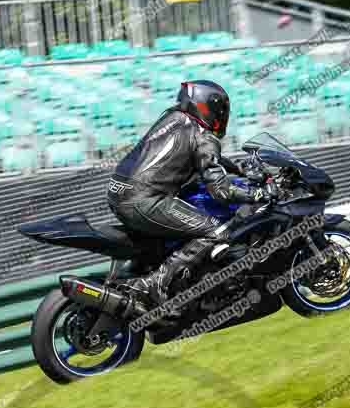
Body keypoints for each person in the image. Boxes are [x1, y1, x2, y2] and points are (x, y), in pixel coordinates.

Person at [106, 80, 274, 309]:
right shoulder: (202, 134)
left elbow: (204, 159)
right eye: (221, 111)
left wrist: (238, 169)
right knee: (218, 230)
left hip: (119, 192)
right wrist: (258, 193)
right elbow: (222, 190)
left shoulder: (172, 119)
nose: (221, 116)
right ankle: (156, 284)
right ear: (207, 107)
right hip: (145, 199)